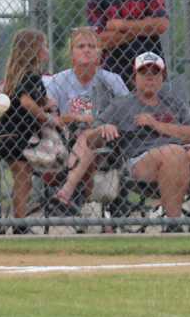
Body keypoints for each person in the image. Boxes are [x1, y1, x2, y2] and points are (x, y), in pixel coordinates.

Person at [98, 52, 190, 222]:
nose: (150, 77)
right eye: (143, 72)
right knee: (174, 153)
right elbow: (93, 131)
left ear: (162, 78)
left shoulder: (174, 102)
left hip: (181, 155)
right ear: (134, 78)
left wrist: (156, 125)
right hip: (140, 161)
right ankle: (173, 224)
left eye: (155, 72)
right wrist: (104, 127)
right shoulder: (122, 104)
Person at [47, 28, 130, 210]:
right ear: (72, 54)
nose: (87, 50)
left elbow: (128, 114)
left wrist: (106, 124)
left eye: (92, 46)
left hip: (109, 139)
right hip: (67, 138)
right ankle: (87, 202)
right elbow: (49, 117)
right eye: (81, 46)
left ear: (99, 54)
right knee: (85, 135)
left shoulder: (113, 80)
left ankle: (67, 191)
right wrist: (73, 117)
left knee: (89, 135)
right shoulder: (58, 81)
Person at [0, 29, 55, 225]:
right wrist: (47, 118)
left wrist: (47, 104)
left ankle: (18, 221)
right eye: (43, 46)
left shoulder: (21, 77)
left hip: (12, 136)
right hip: (18, 137)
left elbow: (39, 100)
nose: (47, 50)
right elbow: (26, 102)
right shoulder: (30, 76)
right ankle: (19, 225)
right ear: (34, 50)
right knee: (23, 181)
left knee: (23, 180)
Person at [87, 0, 168, 83]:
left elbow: (161, 25)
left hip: (150, 67)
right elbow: (99, 41)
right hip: (114, 71)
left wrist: (120, 25)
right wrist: (144, 26)